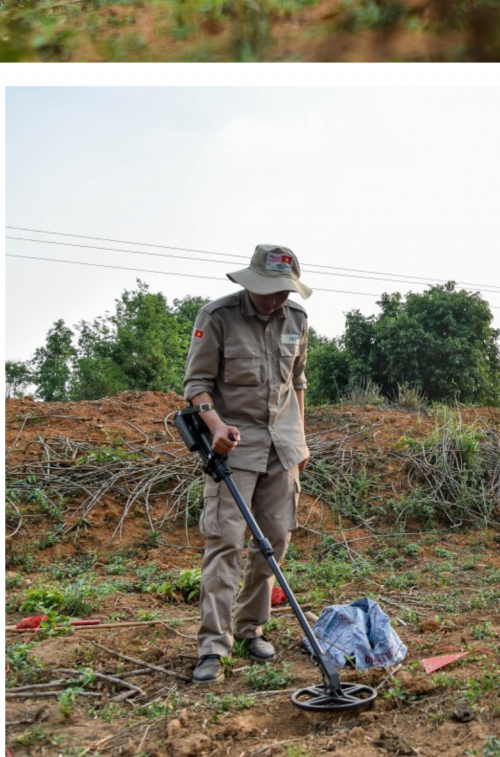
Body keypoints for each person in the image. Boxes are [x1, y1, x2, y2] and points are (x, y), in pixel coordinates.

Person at [182, 245, 312, 683]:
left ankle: (250, 627)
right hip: (233, 448)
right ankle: (212, 648)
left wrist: (301, 438)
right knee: (225, 542)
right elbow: (196, 384)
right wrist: (215, 425)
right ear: (250, 282)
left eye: (283, 292)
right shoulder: (217, 317)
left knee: (273, 541)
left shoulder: (297, 321)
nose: (276, 299)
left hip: (283, 448)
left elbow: (297, 382)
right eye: (269, 291)